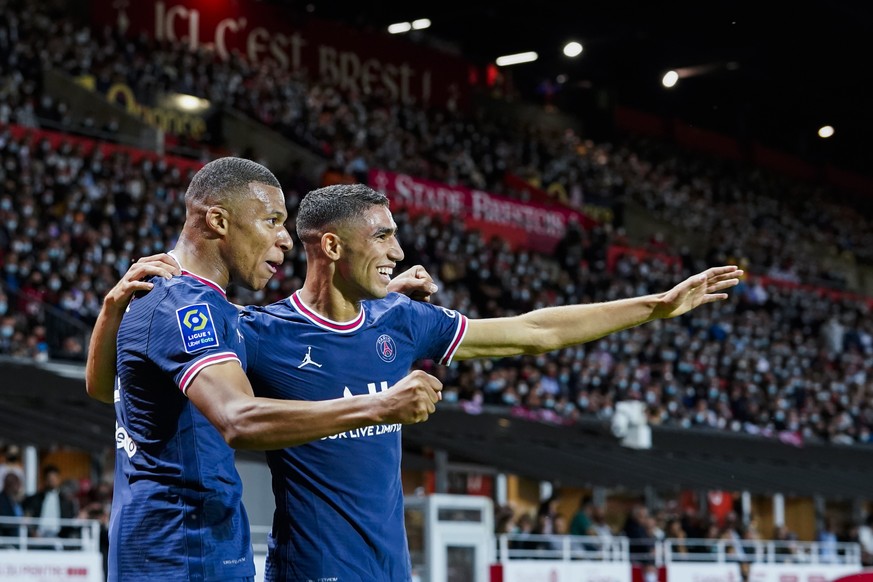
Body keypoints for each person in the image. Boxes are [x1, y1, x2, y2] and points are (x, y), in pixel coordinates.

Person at [95, 183, 741, 581]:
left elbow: (534, 330)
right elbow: (149, 378)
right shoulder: (258, 332)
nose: (399, 252)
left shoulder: (403, 323)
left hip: (392, 567)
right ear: (330, 247)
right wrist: (118, 310)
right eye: (382, 236)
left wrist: (654, 305)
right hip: (309, 568)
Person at [84, 158, 443, 581]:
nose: (285, 240)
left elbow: (102, 387)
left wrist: (368, 294)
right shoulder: (183, 305)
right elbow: (239, 419)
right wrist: (380, 406)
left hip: (209, 546)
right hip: (176, 556)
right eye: (272, 221)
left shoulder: (203, 305)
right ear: (218, 220)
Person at [0, 472, 24, 545]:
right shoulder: (2, 500)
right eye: (17, 484)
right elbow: (6, 521)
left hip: (20, 538)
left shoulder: (16, 500)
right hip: (8, 540)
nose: (19, 487)